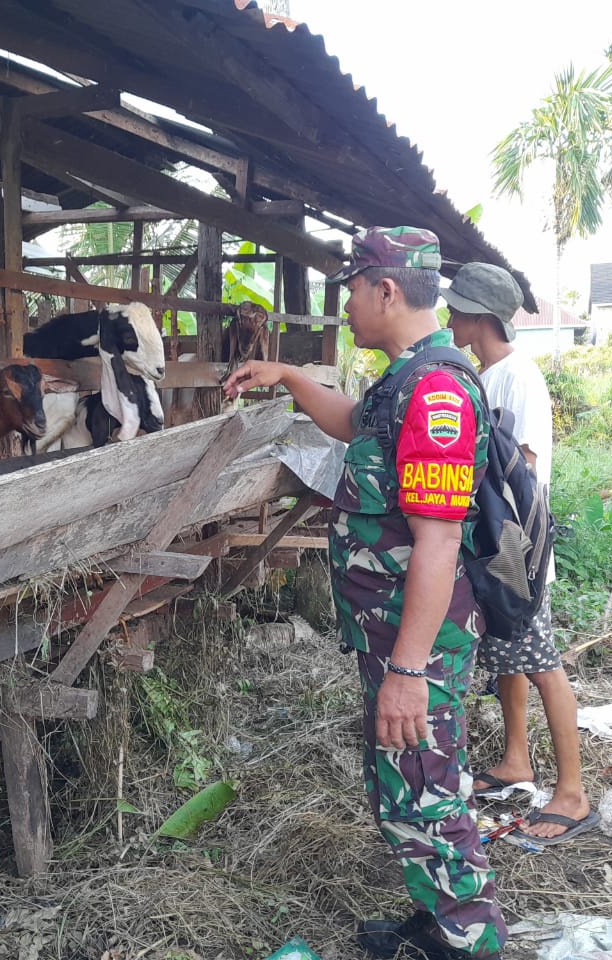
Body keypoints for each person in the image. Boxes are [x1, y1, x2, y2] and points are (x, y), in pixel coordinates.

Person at [224, 228, 505, 960]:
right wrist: (286, 375)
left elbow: (439, 542)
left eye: (351, 289)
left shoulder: (437, 391)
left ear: (386, 289)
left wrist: (408, 674)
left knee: (424, 782)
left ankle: (468, 941)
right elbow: (354, 425)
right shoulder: (404, 377)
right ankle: (438, 918)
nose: (344, 303)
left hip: (417, 644)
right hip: (389, 633)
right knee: (407, 779)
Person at [443, 262, 595, 844]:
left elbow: (522, 469)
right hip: (495, 549)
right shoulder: (487, 373)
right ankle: (515, 762)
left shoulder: (518, 377)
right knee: (510, 655)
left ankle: (573, 792)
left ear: (479, 318)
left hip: (517, 555)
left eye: (456, 310)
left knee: (541, 663)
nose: (449, 318)